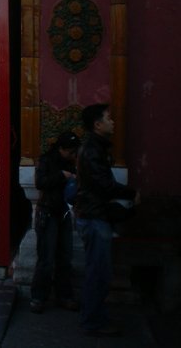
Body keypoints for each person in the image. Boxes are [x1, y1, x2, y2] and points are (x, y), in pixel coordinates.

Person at [75, 103, 140, 336]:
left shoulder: (95, 147)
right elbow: (103, 184)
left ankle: (93, 316)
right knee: (98, 272)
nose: (113, 122)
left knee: (99, 270)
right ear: (97, 124)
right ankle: (92, 320)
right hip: (94, 216)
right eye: (108, 118)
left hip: (93, 214)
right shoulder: (92, 149)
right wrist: (130, 193)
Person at [30, 131, 81, 314]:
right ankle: (38, 296)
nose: (72, 155)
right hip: (48, 211)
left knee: (65, 257)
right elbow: (40, 183)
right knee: (46, 257)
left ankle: (64, 295)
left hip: (64, 212)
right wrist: (62, 175)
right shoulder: (47, 160)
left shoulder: (73, 162)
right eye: (70, 151)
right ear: (61, 148)